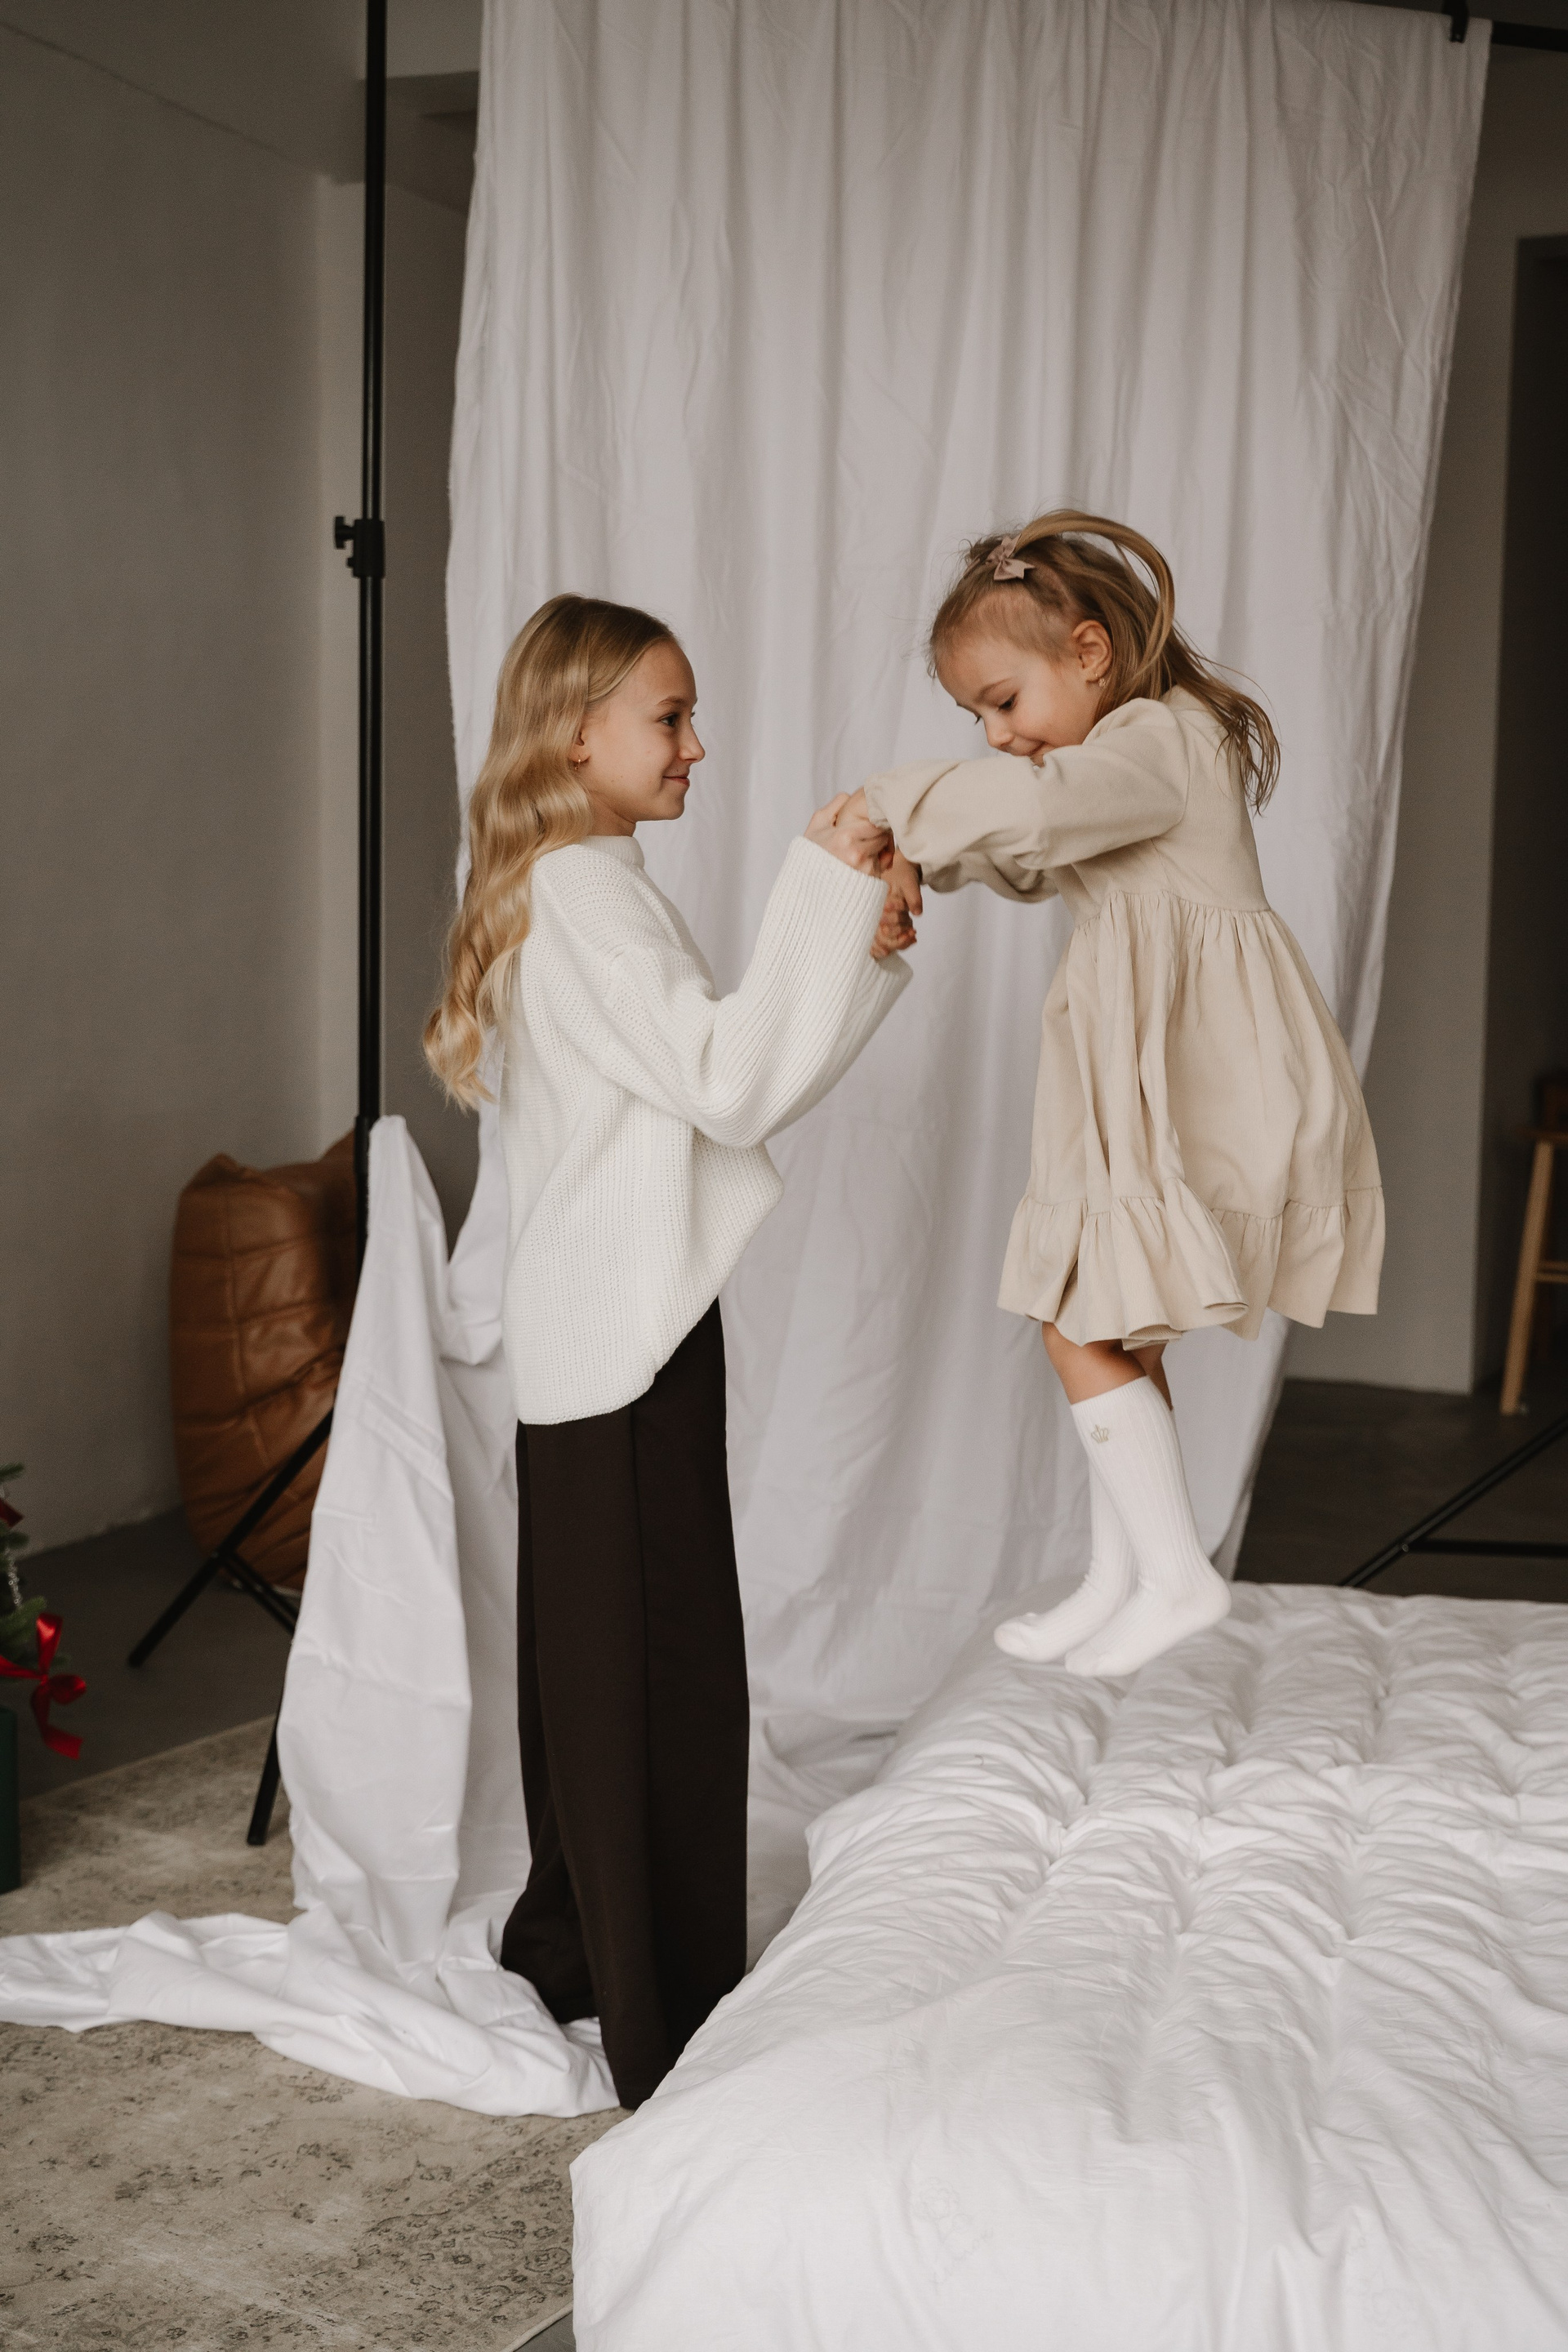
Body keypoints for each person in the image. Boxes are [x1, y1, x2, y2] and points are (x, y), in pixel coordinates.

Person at [425, 593, 911, 2108]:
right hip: (624, 1348)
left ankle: (576, 1950)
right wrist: (822, 885)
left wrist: (854, 946)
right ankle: (668, 2021)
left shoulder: (576, 882)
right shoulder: (587, 891)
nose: (698, 744)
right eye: (671, 716)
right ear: (579, 735)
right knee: (660, 1685)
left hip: (602, 1339)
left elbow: (723, 1078)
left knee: (601, 1678)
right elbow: (727, 1080)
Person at [839, 510, 1383, 1679]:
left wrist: (889, 802)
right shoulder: (1128, 759)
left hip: (1207, 1081)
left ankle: (1177, 1577)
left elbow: (1039, 814)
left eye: (1003, 702)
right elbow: (1035, 850)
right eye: (977, 720)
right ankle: (1123, 1573)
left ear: (1089, 652)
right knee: (1114, 1313)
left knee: (1078, 1317)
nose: (999, 738)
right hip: (1165, 1078)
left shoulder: (1155, 741)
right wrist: (920, 857)